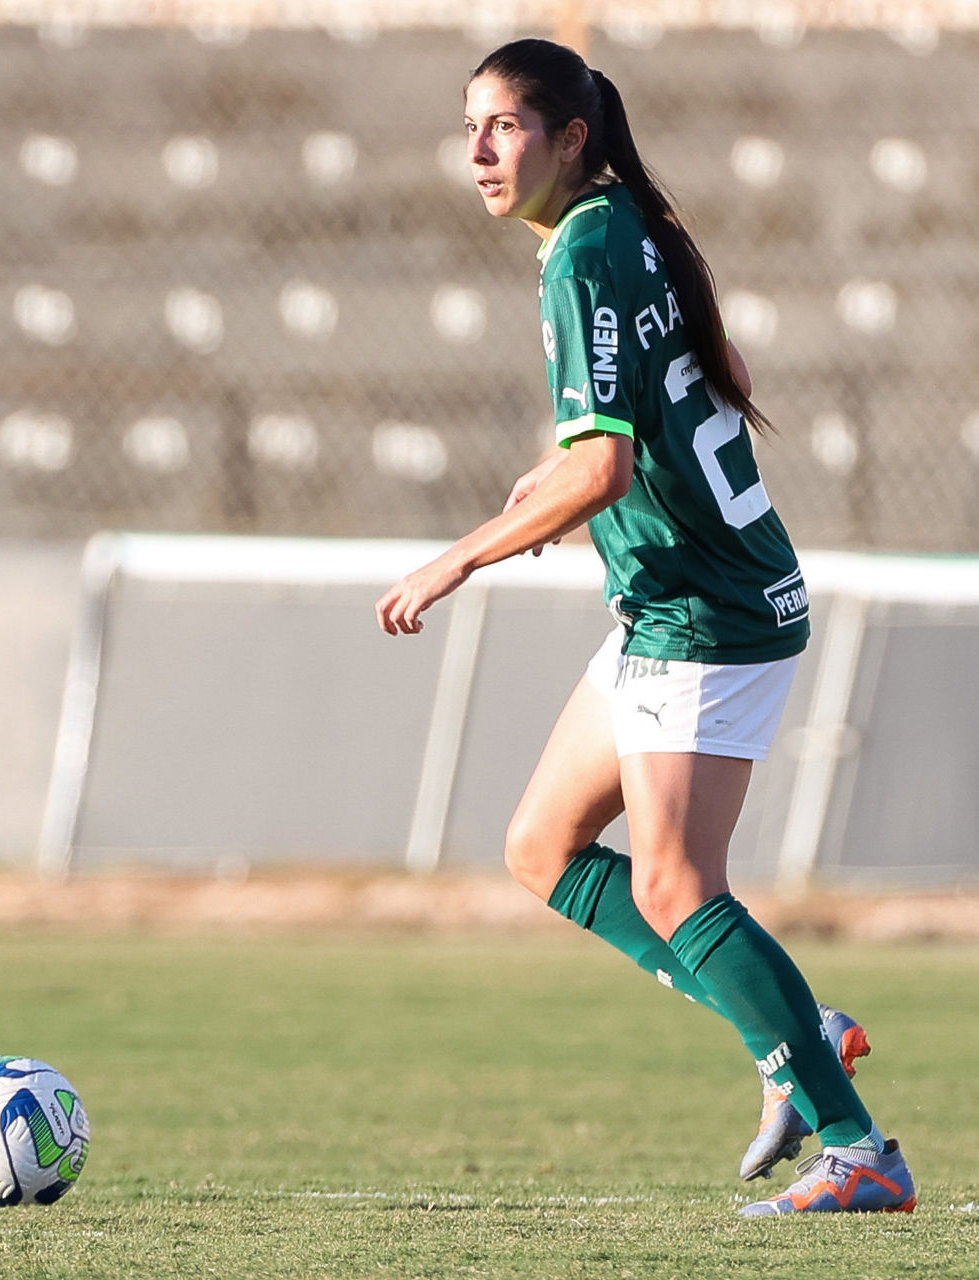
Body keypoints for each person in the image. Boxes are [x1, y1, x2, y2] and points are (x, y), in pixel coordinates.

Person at [375, 37, 915, 1216]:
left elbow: (607, 469)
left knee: (674, 885)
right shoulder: (622, 221)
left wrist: (458, 555)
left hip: (703, 613)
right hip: (678, 601)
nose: (479, 151)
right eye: (469, 127)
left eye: (505, 126)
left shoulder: (585, 251)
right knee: (541, 846)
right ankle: (791, 1027)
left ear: (570, 138)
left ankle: (856, 1146)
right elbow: (714, 373)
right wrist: (563, 462)